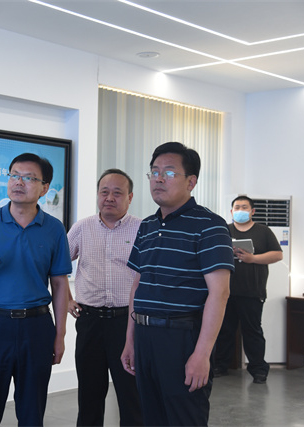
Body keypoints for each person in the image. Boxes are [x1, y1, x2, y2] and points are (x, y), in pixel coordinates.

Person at [120, 142, 234, 426]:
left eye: (169, 173)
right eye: (154, 172)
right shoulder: (146, 226)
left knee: (184, 418)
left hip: (182, 338)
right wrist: (130, 340)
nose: (158, 179)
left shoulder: (210, 225)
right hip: (144, 337)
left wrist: (202, 354)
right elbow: (137, 285)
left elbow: (220, 293)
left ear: (191, 182)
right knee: (152, 418)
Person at [0, 153, 72, 427]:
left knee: (32, 412)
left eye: (28, 178)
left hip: (37, 326)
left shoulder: (54, 229)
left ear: (44, 188)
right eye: (14, 176)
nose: (19, 182)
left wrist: (60, 335)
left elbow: (59, 284)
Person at [67, 168, 143, 426]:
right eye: (104, 192)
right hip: (89, 321)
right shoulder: (82, 228)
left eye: (117, 193)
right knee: (89, 394)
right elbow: (57, 266)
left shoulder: (142, 229)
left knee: (131, 395)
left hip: (127, 323)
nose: (109, 198)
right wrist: (67, 298)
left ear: (130, 197)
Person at [214, 195, 283, 384]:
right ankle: (220, 365)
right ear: (231, 211)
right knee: (224, 330)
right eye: (237, 207)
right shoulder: (224, 230)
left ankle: (258, 370)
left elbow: (278, 255)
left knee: (252, 332)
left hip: (252, 291)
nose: (240, 210)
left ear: (252, 211)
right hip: (226, 291)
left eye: (244, 207)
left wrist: (253, 259)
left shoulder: (263, 231)